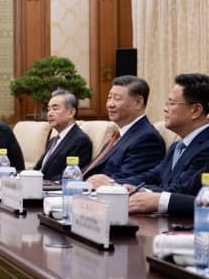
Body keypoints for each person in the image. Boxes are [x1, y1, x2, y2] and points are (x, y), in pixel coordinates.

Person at [121, 74, 209, 216]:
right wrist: (118, 186)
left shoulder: (206, 146)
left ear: (196, 110)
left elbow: (183, 189)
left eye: (171, 103)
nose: (165, 109)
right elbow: (154, 175)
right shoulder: (177, 145)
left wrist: (150, 195)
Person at [84, 76, 165, 186]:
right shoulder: (119, 134)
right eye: (109, 98)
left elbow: (127, 179)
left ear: (138, 103)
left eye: (117, 99)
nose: (110, 104)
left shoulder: (147, 138)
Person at [33, 89, 92, 181]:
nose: (49, 113)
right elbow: (38, 169)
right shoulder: (53, 140)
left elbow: (70, 176)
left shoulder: (80, 141)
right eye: (48, 109)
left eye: (55, 109)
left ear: (71, 112)